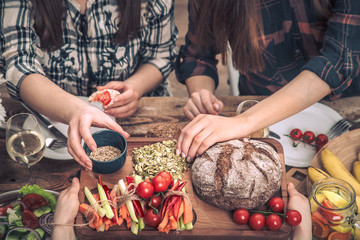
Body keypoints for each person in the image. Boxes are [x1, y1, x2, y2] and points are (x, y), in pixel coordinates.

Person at [0, 0, 177, 170]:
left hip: (136, 118)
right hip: (50, 116)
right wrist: (78, 110)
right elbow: (20, 66)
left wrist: (134, 87)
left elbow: (161, 55)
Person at [174, 0, 360, 160]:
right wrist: (202, 94)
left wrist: (242, 122)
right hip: (259, 114)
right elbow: (198, 57)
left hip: (347, 107)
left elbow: (338, 60)